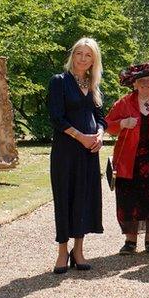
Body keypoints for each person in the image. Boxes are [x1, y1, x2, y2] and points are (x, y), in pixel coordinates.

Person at [47, 37, 106, 274]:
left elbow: (101, 117)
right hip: (66, 150)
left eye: (88, 55)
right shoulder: (59, 82)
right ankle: (63, 251)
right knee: (65, 197)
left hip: (89, 151)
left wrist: (100, 135)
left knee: (84, 197)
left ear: (94, 60)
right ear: (73, 55)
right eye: (79, 53)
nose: (83, 58)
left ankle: (78, 250)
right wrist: (80, 136)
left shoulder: (94, 84)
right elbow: (56, 117)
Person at [106, 63, 149, 256]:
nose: (145, 83)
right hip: (129, 163)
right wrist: (122, 123)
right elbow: (108, 125)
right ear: (134, 84)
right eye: (141, 80)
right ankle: (130, 241)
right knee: (129, 201)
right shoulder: (123, 103)